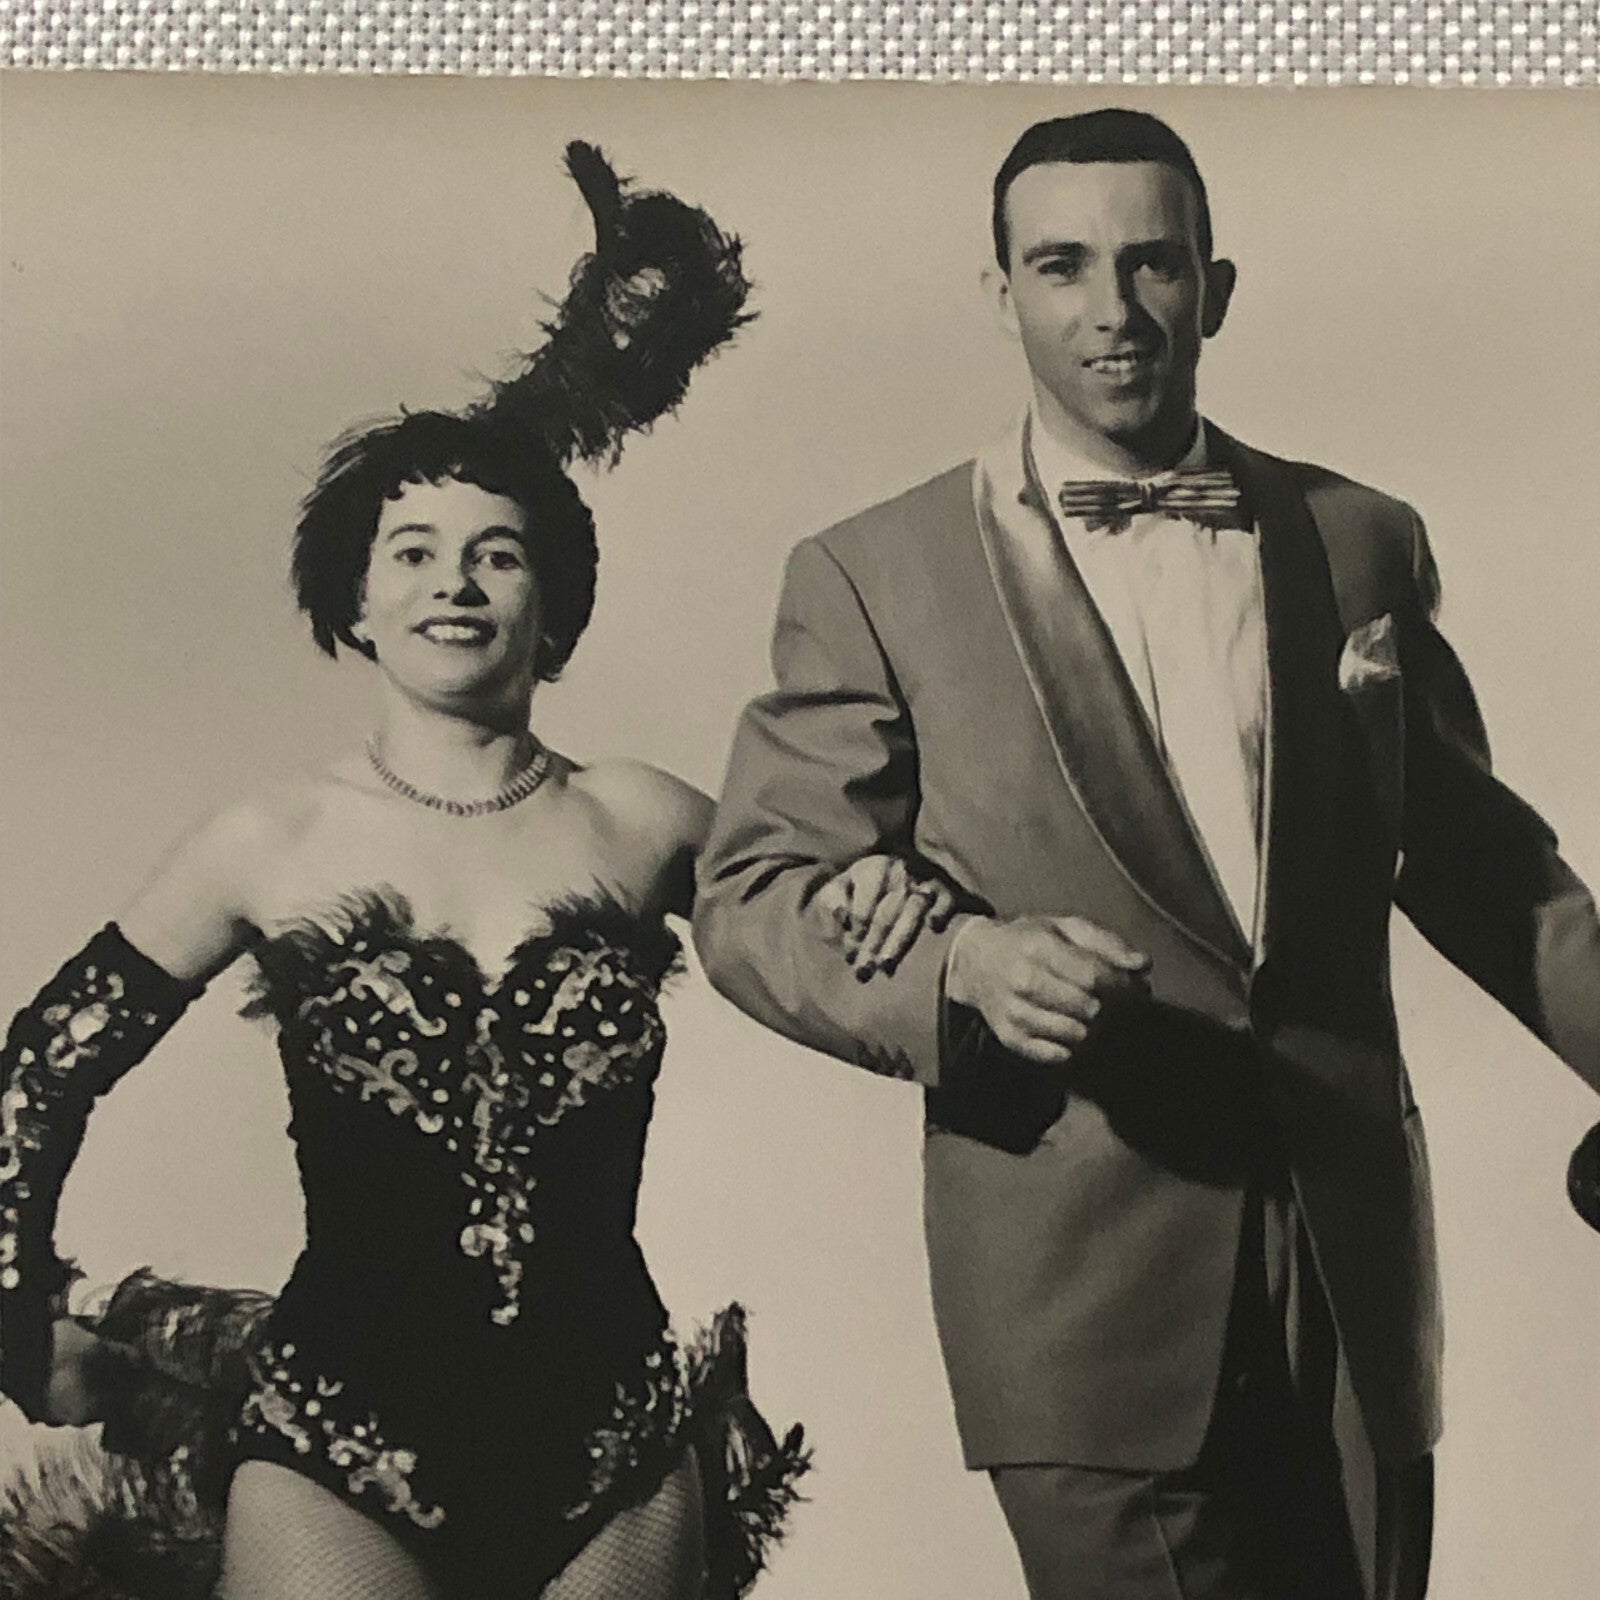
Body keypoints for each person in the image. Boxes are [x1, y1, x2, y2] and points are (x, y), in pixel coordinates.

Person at [0, 144, 946, 1600]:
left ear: (550, 606)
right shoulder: (271, 839)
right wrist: (16, 1315)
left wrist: (891, 894)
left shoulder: (643, 819)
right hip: (335, 1443)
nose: (455, 582)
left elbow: (838, 928)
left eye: (498, 556)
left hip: (614, 1444)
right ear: (357, 601)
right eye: (416, 551)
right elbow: (40, 1068)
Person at [693, 109, 1600, 1600]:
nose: (1112, 311)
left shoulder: (1359, 538)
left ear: (1214, 289)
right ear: (1001, 293)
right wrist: (964, 964)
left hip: (1353, 1265)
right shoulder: (872, 572)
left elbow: (1493, 876)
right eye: (1062, 267)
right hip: (1075, 1280)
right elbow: (753, 896)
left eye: (1151, 265)